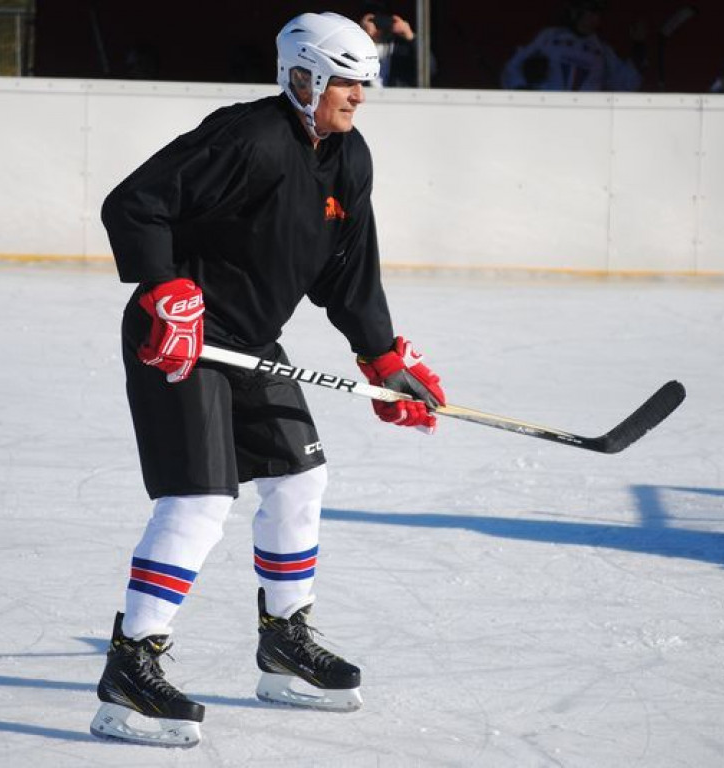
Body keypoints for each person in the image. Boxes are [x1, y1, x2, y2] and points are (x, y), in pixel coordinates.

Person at [91, 11, 447, 748]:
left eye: (363, 83)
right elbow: (135, 203)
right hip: (180, 338)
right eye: (346, 81)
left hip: (251, 341)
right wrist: (164, 289)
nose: (358, 95)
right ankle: (133, 661)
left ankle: (284, 641)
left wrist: (383, 358)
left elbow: (348, 270)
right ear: (303, 76)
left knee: (299, 479)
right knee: (200, 500)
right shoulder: (246, 137)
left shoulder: (349, 158)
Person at [500, 0, 646, 92]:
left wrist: (638, 46)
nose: (594, 19)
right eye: (590, 12)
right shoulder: (549, 36)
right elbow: (513, 66)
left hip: (583, 122)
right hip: (544, 113)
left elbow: (628, 84)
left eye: (598, 14)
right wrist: (521, 89)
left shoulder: (602, 49)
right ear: (574, 11)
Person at [358, 2, 418, 87]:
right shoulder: (357, 45)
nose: (380, 23)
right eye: (374, 20)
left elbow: (430, 69)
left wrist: (410, 36)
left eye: (384, 18)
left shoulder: (402, 47)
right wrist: (360, 34)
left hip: (396, 97)